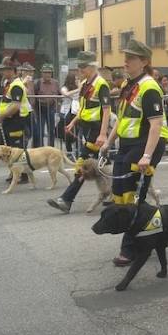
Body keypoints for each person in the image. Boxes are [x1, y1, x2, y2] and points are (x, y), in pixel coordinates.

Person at [100, 39, 168, 267]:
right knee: (119, 192)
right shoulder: (128, 85)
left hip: (146, 145)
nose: (125, 62)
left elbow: (156, 125)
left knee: (135, 197)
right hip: (128, 145)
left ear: (144, 62)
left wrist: (147, 156)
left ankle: (131, 248)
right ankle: (152, 234)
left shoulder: (150, 86)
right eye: (126, 57)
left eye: (130, 58)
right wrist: (108, 142)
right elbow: (121, 118)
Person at [47, 51, 112, 213]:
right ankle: (114, 194)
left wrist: (103, 134)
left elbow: (106, 110)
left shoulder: (101, 84)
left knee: (83, 165)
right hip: (86, 128)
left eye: (83, 66)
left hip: (96, 130)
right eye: (79, 66)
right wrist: (73, 122)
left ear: (92, 66)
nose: (79, 69)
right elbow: (83, 108)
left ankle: (66, 200)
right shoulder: (84, 84)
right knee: (103, 165)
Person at [0, 57, 31, 183]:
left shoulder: (16, 86)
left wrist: (1, 116)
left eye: (4, 70)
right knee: (7, 148)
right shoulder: (9, 84)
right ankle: (13, 172)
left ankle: (23, 175)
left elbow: (15, 105)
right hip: (9, 122)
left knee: (17, 150)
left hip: (16, 122)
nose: (2, 72)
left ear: (11, 70)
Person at [33, 64, 60, 148]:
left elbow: (59, 94)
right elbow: (33, 95)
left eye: (49, 73)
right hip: (40, 108)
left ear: (51, 74)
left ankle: (51, 148)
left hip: (51, 108)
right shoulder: (38, 82)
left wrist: (57, 105)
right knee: (40, 130)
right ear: (42, 73)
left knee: (51, 130)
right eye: (45, 73)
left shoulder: (55, 83)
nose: (47, 74)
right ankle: (40, 149)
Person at [57, 72, 79, 158]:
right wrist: (78, 89)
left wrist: (79, 87)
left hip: (75, 112)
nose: (77, 81)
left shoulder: (79, 87)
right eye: (75, 79)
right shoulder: (64, 88)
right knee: (67, 133)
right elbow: (66, 94)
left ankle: (77, 151)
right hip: (65, 112)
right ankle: (69, 152)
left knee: (76, 132)